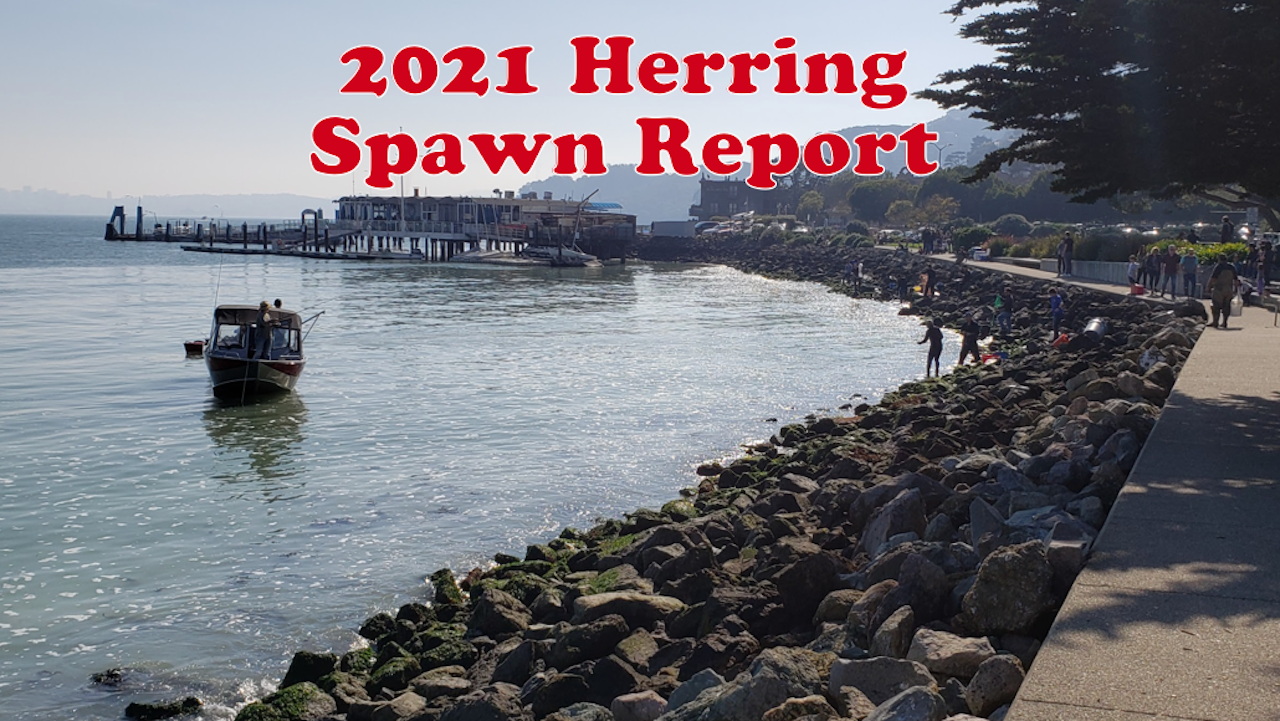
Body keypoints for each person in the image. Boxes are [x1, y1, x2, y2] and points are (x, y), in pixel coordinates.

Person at [1207, 256, 1239, 328]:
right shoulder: (1232, 267)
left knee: (1216, 306)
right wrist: (1235, 290)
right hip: (1229, 289)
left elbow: (1213, 278)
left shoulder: (1219, 267)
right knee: (1226, 306)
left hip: (1219, 289)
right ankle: (1225, 322)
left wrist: (1208, 287)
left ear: (1219, 259)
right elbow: (1236, 280)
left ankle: (1215, 322)